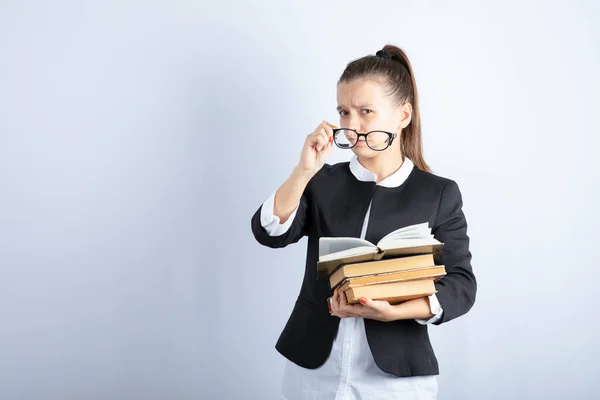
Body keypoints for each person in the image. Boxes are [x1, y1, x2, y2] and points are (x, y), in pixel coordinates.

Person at [250, 44, 477, 400]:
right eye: (344, 111)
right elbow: (270, 232)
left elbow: (462, 285)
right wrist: (303, 171)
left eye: (365, 111)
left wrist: (395, 312)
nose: (351, 125)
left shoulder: (438, 193)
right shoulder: (322, 181)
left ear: (403, 115)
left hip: (396, 379)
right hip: (313, 370)